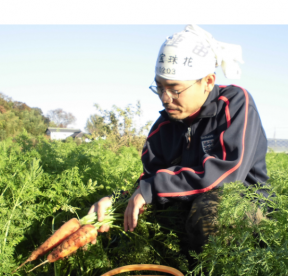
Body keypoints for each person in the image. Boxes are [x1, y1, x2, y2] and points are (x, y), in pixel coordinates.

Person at [90, 24, 269, 252]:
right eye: (159, 87)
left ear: (208, 82)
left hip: (245, 203)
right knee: (135, 214)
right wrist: (117, 199)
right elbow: (150, 179)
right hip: (189, 204)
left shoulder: (234, 103)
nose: (165, 99)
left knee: (211, 211)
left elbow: (228, 175)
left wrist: (152, 188)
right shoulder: (164, 126)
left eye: (175, 89)